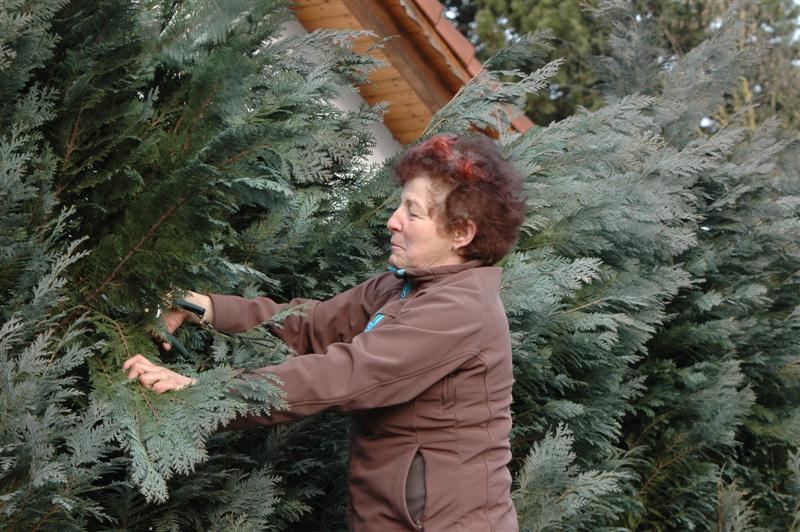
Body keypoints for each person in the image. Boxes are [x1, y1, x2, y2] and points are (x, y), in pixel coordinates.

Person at [123, 133, 527, 531]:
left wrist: (205, 394)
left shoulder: (462, 309)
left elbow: (343, 375)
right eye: (399, 206)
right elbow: (312, 324)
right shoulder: (402, 286)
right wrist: (203, 306)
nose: (392, 221)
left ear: (461, 233)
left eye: (413, 212)